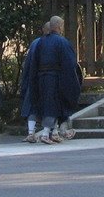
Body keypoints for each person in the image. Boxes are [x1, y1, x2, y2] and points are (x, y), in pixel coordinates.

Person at [30, 15, 82, 144]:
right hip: (56, 78)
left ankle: (54, 132)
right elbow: (70, 64)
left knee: (47, 104)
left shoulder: (41, 42)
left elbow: (34, 63)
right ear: (59, 26)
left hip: (42, 77)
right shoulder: (63, 42)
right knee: (53, 106)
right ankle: (46, 133)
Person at [20, 21, 50, 142]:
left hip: (34, 78)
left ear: (43, 30)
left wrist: (26, 80)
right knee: (49, 106)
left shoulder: (35, 43)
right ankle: (48, 133)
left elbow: (28, 64)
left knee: (32, 105)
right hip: (48, 78)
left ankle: (31, 132)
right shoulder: (56, 42)